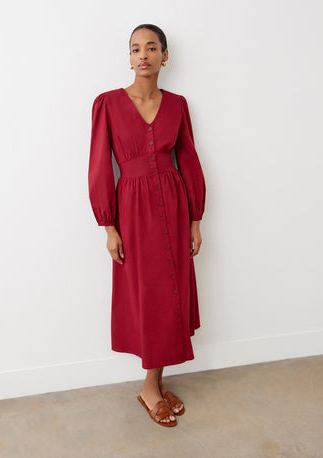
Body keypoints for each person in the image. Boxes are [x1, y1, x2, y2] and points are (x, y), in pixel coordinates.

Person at [88, 24, 206, 427]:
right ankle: (150, 388)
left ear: (164, 56)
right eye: (136, 49)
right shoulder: (107, 103)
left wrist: (195, 219)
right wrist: (109, 226)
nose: (143, 55)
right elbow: (99, 166)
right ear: (129, 58)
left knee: (171, 293)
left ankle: (153, 384)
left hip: (174, 206)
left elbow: (188, 160)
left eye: (152, 48)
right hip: (133, 211)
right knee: (148, 296)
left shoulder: (177, 105)